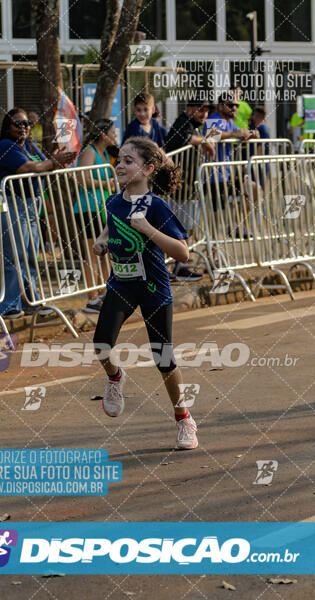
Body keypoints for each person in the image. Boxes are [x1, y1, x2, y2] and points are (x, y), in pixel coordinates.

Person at [92, 137, 198, 450]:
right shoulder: (113, 201)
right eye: (118, 160)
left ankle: (184, 419)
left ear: (148, 168)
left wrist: (148, 230)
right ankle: (115, 378)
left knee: (163, 357)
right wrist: (101, 241)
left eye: (128, 161)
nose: (119, 166)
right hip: (121, 284)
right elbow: (111, 226)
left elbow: (182, 253)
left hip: (153, 287)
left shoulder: (156, 206)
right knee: (100, 344)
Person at [0, 107, 76, 319]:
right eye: (18, 123)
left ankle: (31, 301)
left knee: (30, 255)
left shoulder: (29, 144)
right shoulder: (5, 146)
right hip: (12, 204)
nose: (23, 128)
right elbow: (33, 167)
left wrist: (59, 159)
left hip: (31, 205)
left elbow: (47, 165)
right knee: (13, 254)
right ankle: (8, 306)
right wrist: (52, 162)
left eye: (27, 124)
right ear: (7, 126)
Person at [165, 100, 217, 281]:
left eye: (207, 111)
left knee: (187, 229)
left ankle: (181, 265)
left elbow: (209, 137)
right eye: (200, 110)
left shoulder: (195, 126)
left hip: (188, 188)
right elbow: (183, 139)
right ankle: (178, 266)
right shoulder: (182, 122)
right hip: (177, 189)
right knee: (178, 230)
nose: (204, 114)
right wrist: (204, 141)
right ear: (189, 109)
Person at [75, 118, 117, 313]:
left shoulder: (106, 153)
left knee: (105, 252)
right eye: (113, 132)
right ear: (103, 134)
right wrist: (106, 183)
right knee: (92, 253)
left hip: (103, 207)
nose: (115, 135)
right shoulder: (89, 151)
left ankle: (103, 291)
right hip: (87, 208)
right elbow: (82, 178)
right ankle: (92, 298)